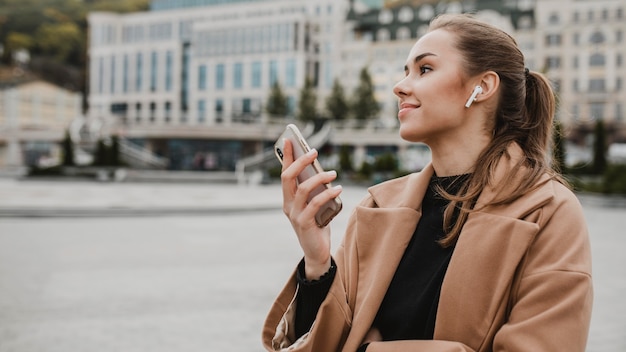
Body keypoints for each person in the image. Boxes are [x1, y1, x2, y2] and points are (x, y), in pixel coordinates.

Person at [262, 13, 593, 352]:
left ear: (483, 87)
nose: (400, 86)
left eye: (425, 69)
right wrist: (317, 263)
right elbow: (323, 344)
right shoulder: (378, 207)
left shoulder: (548, 212)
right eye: (406, 71)